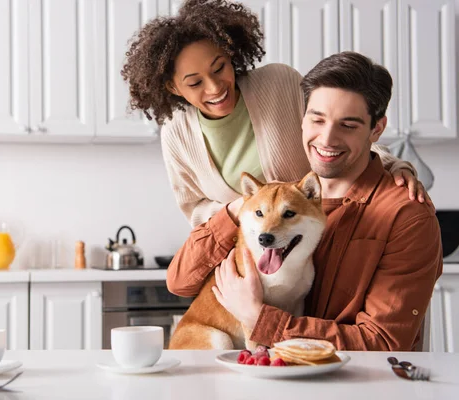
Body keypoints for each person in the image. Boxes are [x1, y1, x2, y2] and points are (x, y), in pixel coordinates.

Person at [169, 51, 443, 351]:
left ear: (376, 128)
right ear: (302, 119)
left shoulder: (406, 216)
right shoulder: (289, 195)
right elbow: (180, 280)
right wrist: (238, 210)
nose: (326, 139)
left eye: (348, 125)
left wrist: (258, 317)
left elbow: (382, 343)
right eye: (317, 119)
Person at [121, 0, 427, 229]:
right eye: (195, 82)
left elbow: (334, 132)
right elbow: (194, 208)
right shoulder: (176, 132)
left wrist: (393, 165)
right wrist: (244, 208)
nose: (215, 87)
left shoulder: (278, 82)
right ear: (172, 87)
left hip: (328, 235)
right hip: (255, 258)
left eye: (220, 68)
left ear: (231, 54)